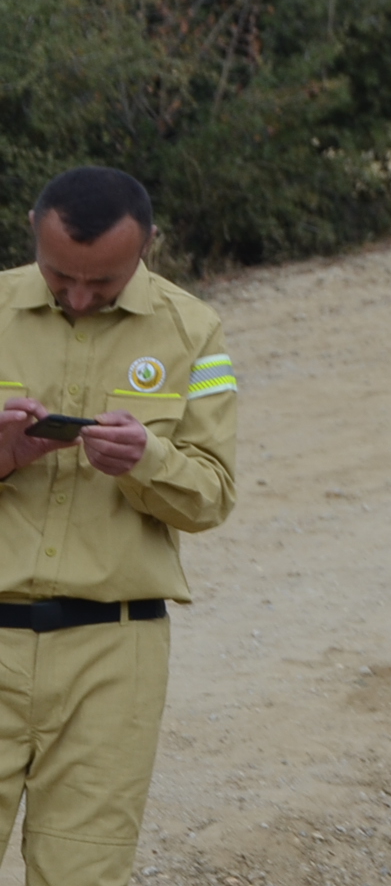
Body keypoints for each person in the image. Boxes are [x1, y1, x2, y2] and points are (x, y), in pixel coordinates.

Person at [0, 168, 238, 886]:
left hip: (115, 654)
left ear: (148, 246)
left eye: (101, 282)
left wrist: (147, 461)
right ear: (33, 232)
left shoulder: (194, 331)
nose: (78, 297)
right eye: (59, 276)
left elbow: (211, 498)